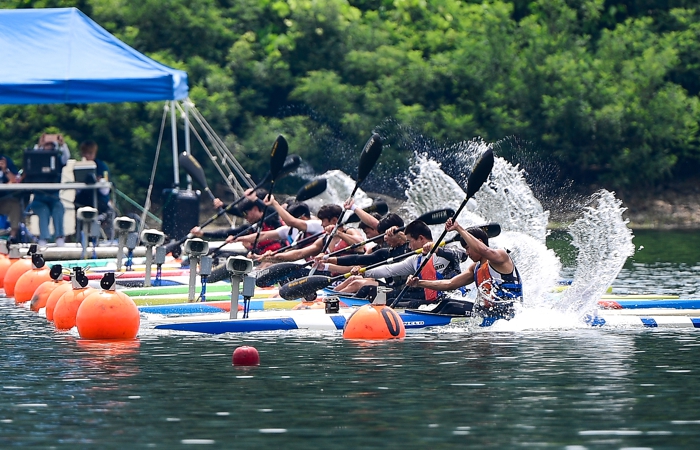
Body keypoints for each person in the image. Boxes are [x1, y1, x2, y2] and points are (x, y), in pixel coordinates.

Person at [406, 219, 522, 319]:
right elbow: (450, 284)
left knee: (452, 307)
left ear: (479, 242)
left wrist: (458, 228)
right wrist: (419, 283)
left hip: (507, 313)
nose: (467, 253)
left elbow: (485, 250)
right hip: (488, 311)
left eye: (467, 248)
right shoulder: (475, 267)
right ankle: (421, 319)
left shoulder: (500, 256)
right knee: (447, 302)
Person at [28, 133, 69, 246]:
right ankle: (43, 239)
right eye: (46, 145)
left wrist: (62, 144)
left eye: (51, 145)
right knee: (43, 210)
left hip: (54, 198)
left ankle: (59, 237)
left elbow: (66, 158)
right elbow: (31, 158)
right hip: (38, 199)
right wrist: (39, 145)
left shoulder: (57, 160)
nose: (48, 147)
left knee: (58, 207)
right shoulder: (36, 160)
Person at [0, 155, 22, 243]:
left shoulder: (6, 160)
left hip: (3, 199)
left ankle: (12, 237)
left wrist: (5, 170)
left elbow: (15, 180)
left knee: (14, 204)